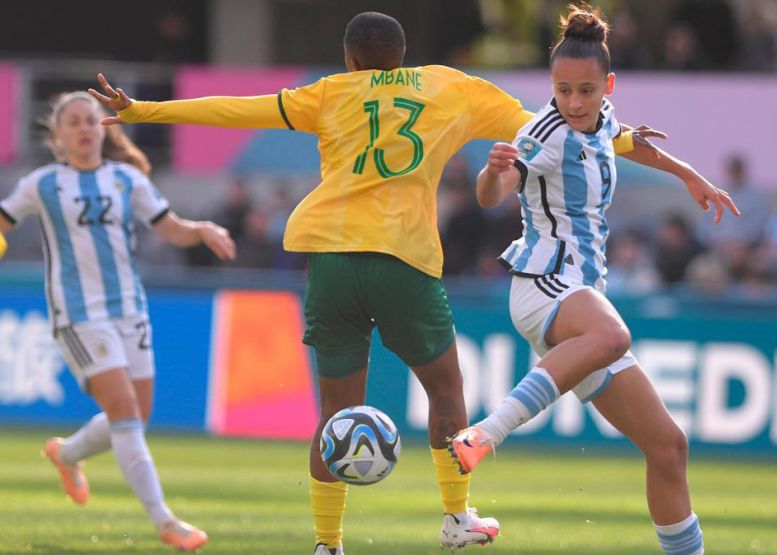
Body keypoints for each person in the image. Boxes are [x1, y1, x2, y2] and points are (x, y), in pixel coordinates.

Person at [88, 11, 693, 554]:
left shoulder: (327, 93)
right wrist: (625, 139)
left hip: (328, 258)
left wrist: (144, 111)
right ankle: (457, 517)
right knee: (446, 394)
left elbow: (238, 107)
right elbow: (551, 124)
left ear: (350, 60)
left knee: (334, 414)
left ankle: (328, 544)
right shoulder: (447, 86)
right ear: (401, 59)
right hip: (402, 258)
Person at [450, 6, 739, 555]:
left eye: (586, 91)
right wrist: (492, 172)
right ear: (551, 86)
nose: (574, 103)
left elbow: (625, 140)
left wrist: (689, 176)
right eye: (563, 90)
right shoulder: (544, 132)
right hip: (544, 283)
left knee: (668, 446)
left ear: (608, 85)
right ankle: (487, 433)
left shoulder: (600, 118)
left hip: (581, 299)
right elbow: (498, 190)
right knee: (614, 336)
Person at [0, 91, 236, 551]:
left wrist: (202, 229)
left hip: (130, 310)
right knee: (125, 414)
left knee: (134, 418)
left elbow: (170, 227)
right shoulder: (42, 183)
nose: (85, 129)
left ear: (103, 128)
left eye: (91, 120)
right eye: (74, 122)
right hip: (78, 314)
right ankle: (165, 520)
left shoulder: (127, 180)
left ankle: (67, 454)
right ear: (58, 135)